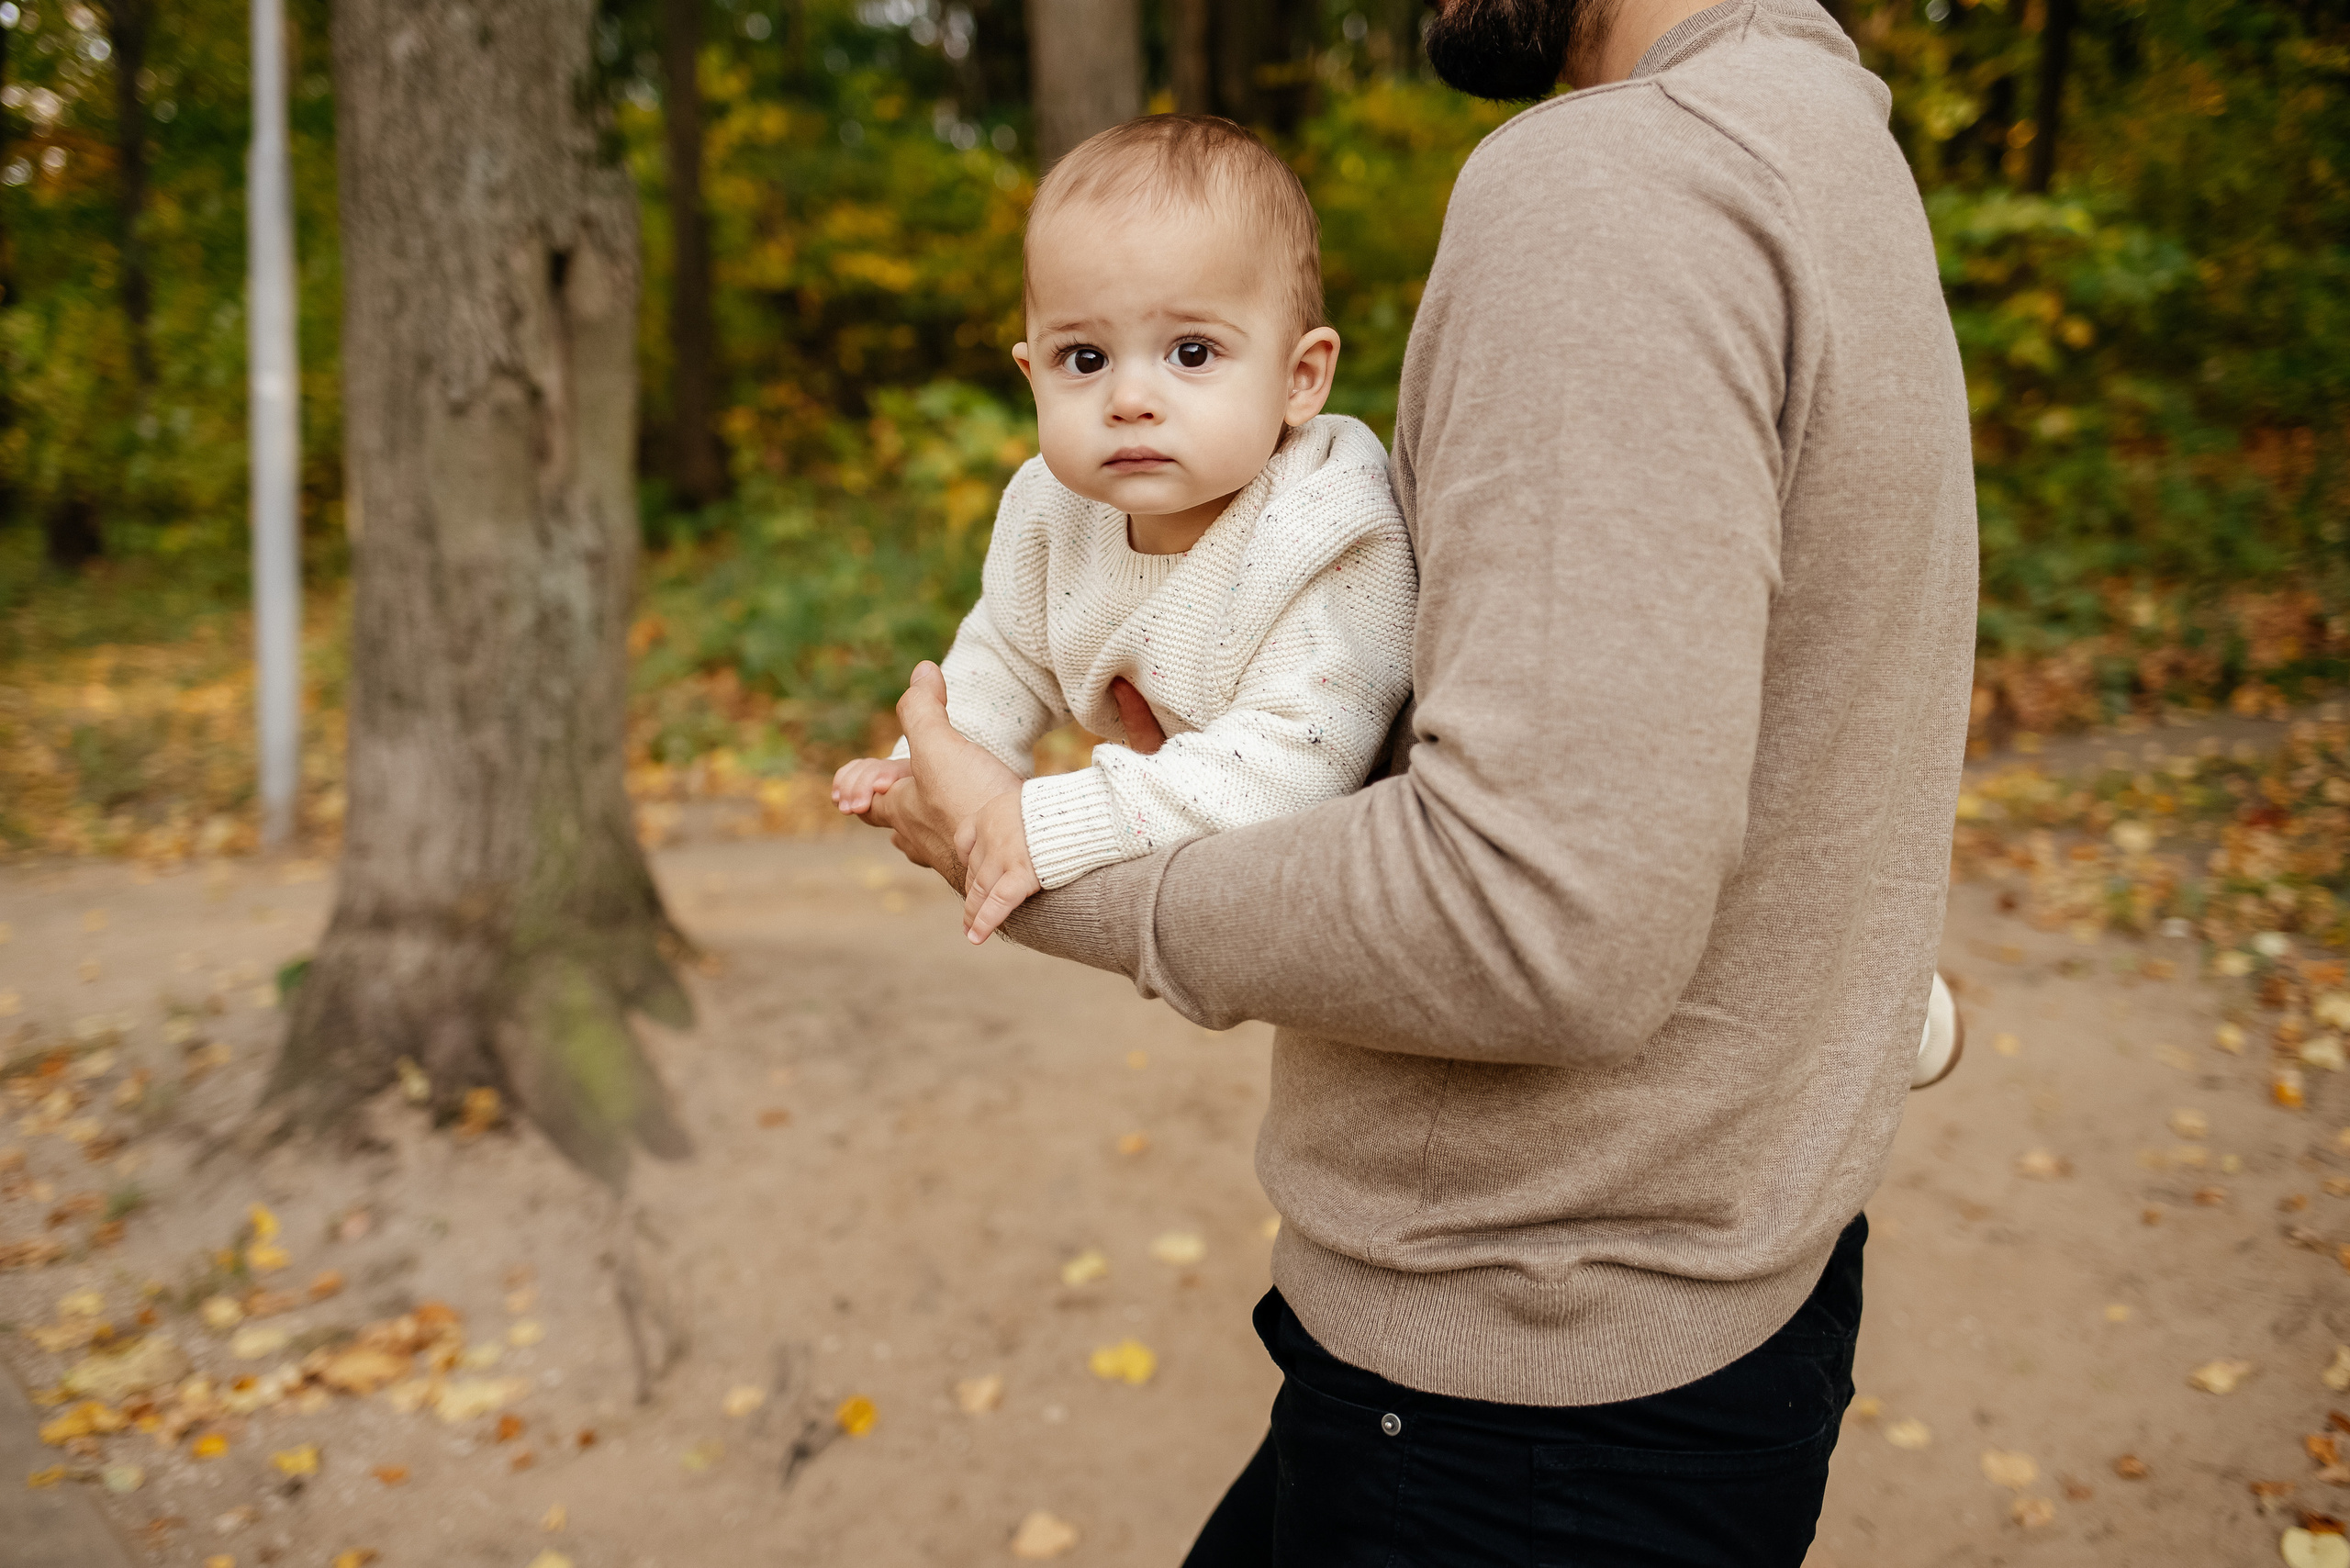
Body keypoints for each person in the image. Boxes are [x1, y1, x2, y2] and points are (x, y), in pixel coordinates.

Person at [870, 0, 1978, 1557]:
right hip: (1731, 1303)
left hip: (1521, 1390)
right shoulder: (1825, 137)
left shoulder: (1610, 185)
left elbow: (1540, 920)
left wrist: (1008, 845)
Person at [832, 116, 1418, 946]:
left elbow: (1298, 760)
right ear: (1033, 376)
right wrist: (934, 764)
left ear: (1300, 377)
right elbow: (1006, 659)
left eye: (1191, 352)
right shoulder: (1054, 511)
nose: (1129, 399)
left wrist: (1046, 821)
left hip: (1349, 905)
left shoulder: (1327, 525)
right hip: (1201, 860)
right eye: (1085, 359)